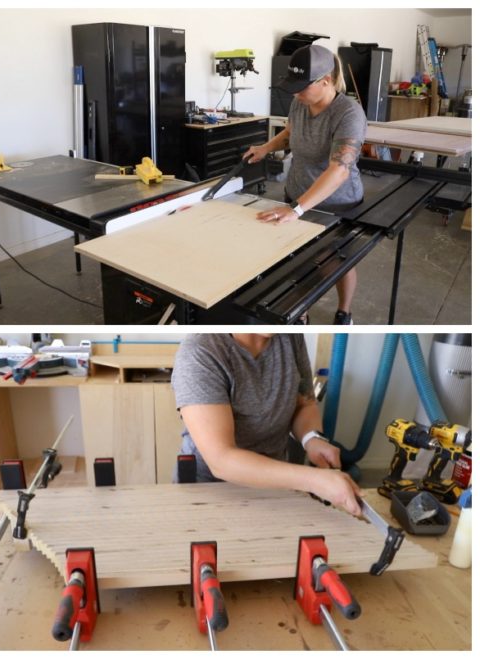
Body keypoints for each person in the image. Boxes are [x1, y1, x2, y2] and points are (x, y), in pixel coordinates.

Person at [171, 333, 362, 516]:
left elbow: (304, 403)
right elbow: (221, 460)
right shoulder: (200, 351)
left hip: (276, 483)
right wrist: (313, 481)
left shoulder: (290, 335)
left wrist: (312, 439)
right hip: (211, 489)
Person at [244, 44, 367, 325]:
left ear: (325, 81)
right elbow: (291, 131)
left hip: (337, 204)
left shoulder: (348, 114)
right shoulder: (300, 103)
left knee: (335, 261)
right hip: (296, 195)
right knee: (299, 262)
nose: (295, 93)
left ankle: (344, 311)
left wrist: (296, 210)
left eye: (302, 87)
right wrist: (266, 148)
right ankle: (301, 311)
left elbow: (339, 170)